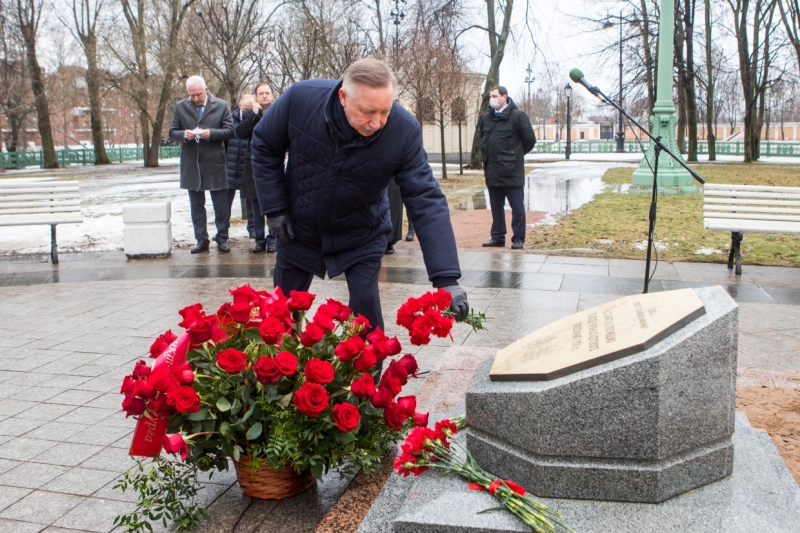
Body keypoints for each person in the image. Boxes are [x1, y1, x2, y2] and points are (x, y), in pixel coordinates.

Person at [250, 58, 469, 341]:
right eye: (367, 112)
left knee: (366, 314)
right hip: (299, 227)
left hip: (361, 232)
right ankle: (283, 378)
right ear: (343, 96)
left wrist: (446, 279)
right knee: (282, 315)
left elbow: (425, 199)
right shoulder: (300, 99)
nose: (377, 123)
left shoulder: (403, 131)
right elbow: (264, 145)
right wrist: (276, 207)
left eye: (385, 111)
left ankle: (370, 378)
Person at [169, 75, 235, 253]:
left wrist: (211, 133)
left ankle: (222, 237)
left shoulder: (221, 105)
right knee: (196, 205)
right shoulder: (180, 107)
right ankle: (201, 239)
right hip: (192, 163)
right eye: (192, 95)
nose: (196, 98)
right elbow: (172, 132)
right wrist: (184, 134)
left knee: (221, 204)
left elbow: (230, 131)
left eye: (198, 94)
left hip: (215, 161)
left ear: (206, 90)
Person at [480, 86, 536, 250]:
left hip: (511, 171)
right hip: (492, 170)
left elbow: (529, 140)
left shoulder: (518, 116)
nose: (492, 98)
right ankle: (497, 236)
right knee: (496, 207)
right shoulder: (487, 118)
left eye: (495, 96)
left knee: (517, 207)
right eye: (491, 96)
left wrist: (515, 155)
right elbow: (483, 139)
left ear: (504, 97)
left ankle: (518, 238)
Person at [237, 82, 277, 253]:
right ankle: (259, 239)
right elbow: (240, 132)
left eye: (267, 93)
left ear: (272, 95)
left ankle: (273, 238)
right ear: (256, 96)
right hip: (252, 161)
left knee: (273, 201)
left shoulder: (278, 111)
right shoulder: (250, 113)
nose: (264, 96)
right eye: (261, 93)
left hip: (272, 161)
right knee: (255, 203)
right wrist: (253, 114)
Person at [226, 94, 255, 240]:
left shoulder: (255, 119)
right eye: (247, 108)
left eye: (251, 108)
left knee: (250, 201)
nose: (249, 111)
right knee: (226, 202)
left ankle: (253, 229)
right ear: (240, 105)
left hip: (247, 167)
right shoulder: (229, 120)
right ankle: (223, 231)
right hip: (230, 167)